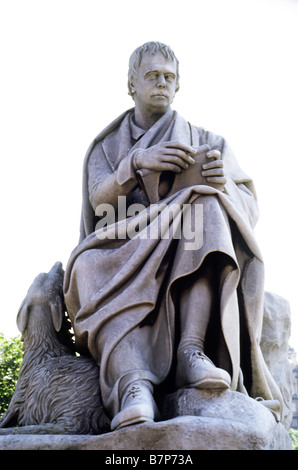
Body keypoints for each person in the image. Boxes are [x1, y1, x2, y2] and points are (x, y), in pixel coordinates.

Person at [63, 41, 284, 431]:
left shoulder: (206, 140)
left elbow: (248, 207)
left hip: (186, 239)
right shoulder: (107, 146)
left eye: (169, 77)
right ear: (132, 84)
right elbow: (98, 203)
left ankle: (191, 350)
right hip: (122, 242)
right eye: (152, 76)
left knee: (208, 208)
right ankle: (134, 385)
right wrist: (135, 164)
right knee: (84, 266)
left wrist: (223, 186)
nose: (161, 84)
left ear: (178, 85)